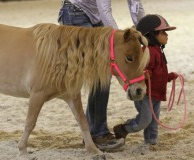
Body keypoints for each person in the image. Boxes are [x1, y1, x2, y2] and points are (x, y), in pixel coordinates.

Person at [57, 0, 145, 151]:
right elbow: (105, 10)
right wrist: (121, 41)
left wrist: (144, 32)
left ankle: (95, 132)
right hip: (75, 13)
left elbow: (136, 5)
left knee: (104, 72)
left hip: (95, 16)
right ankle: (97, 133)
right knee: (102, 71)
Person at [113, 14, 178, 146]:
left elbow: (159, 74)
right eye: (163, 32)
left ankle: (151, 141)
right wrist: (146, 73)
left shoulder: (158, 51)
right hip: (146, 95)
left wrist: (170, 76)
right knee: (145, 121)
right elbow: (143, 70)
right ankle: (124, 128)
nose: (166, 35)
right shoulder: (150, 52)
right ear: (152, 34)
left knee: (153, 120)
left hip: (156, 95)